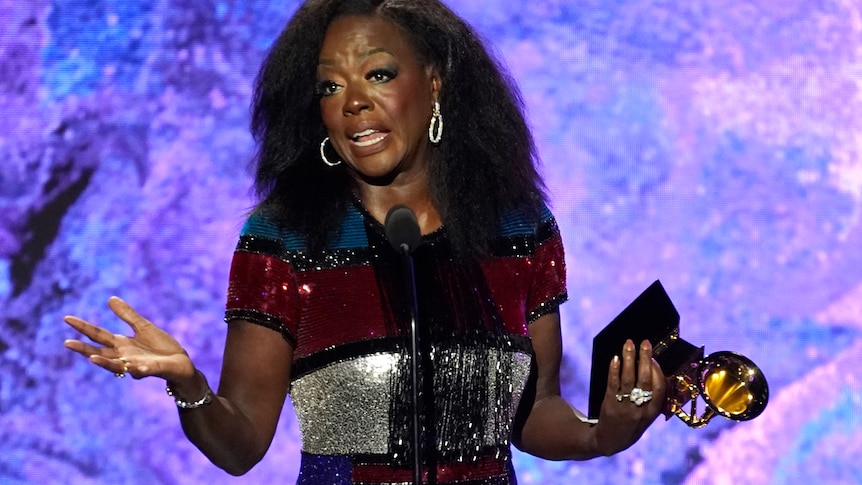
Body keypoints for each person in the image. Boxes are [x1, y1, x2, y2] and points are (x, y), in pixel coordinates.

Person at [63, 0, 667, 483]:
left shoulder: (518, 231)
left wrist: (601, 434)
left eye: (378, 74)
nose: (352, 102)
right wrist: (190, 387)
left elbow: (534, 414)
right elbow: (241, 445)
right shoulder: (284, 239)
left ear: (435, 85)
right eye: (330, 87)